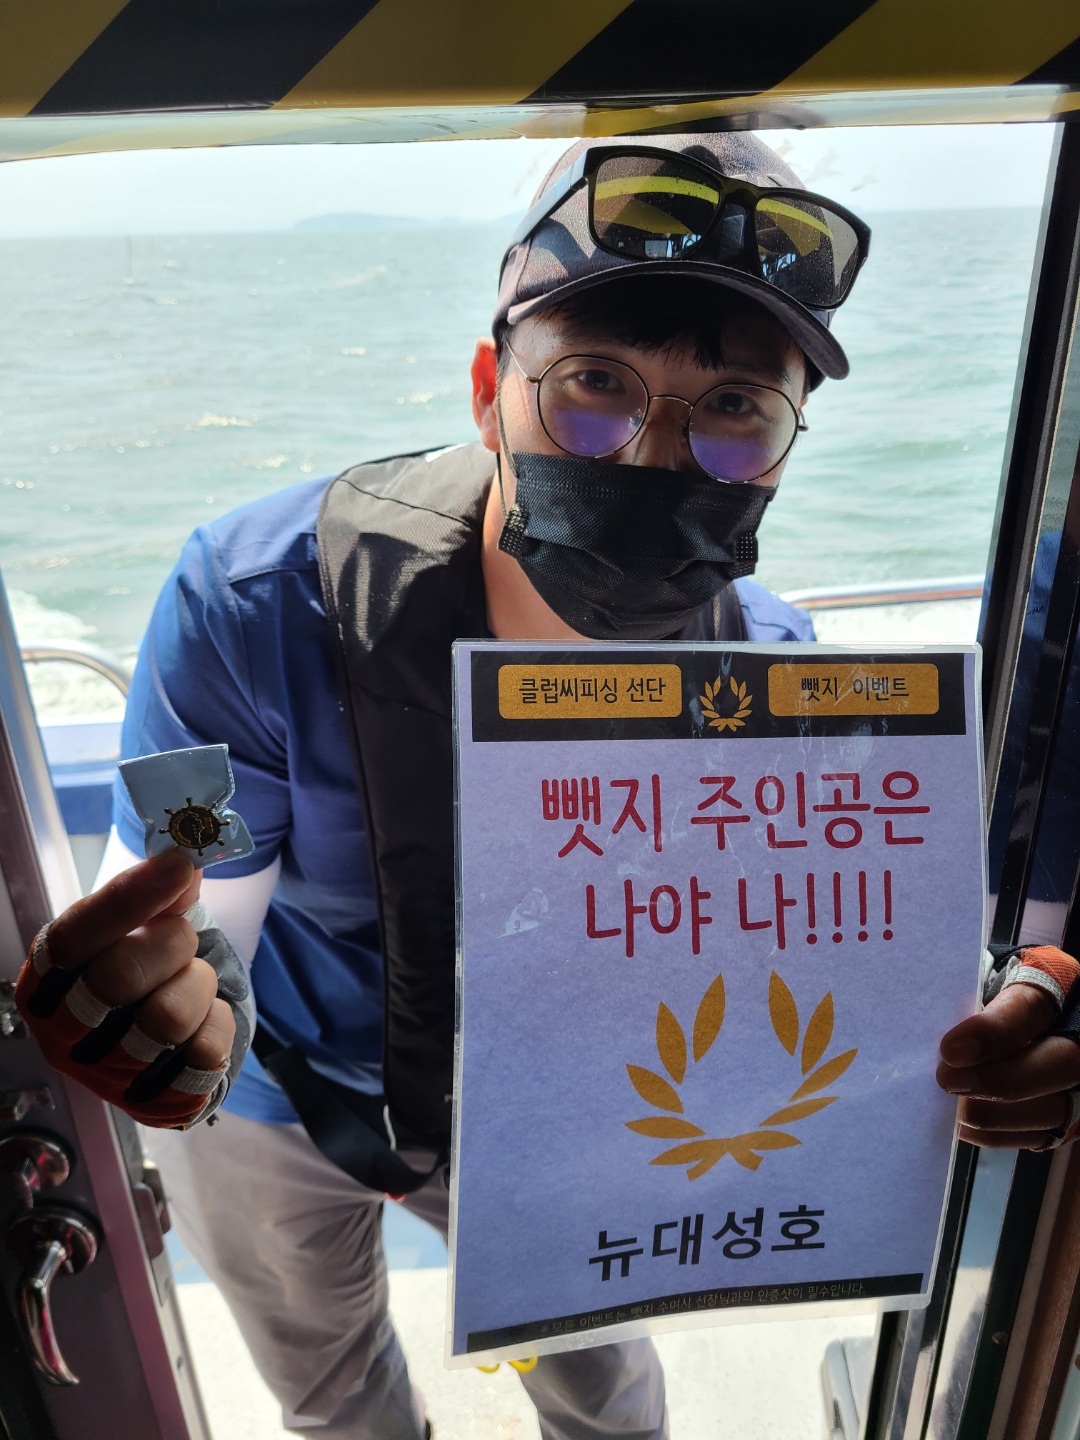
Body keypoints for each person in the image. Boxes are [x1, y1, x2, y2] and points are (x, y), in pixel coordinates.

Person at [15, 133, 1080, 1440]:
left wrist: (993, 1016)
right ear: (489, 390)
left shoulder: (780, 687)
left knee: (607, 1390)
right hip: (281, 1099)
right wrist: (175, 999)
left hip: (570, 1107)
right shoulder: (251, 608)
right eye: (593, 383)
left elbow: (817, 949)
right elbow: (199, 897)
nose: (651, 455)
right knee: (333, 1394)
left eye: (736, 408)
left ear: (787, 446)